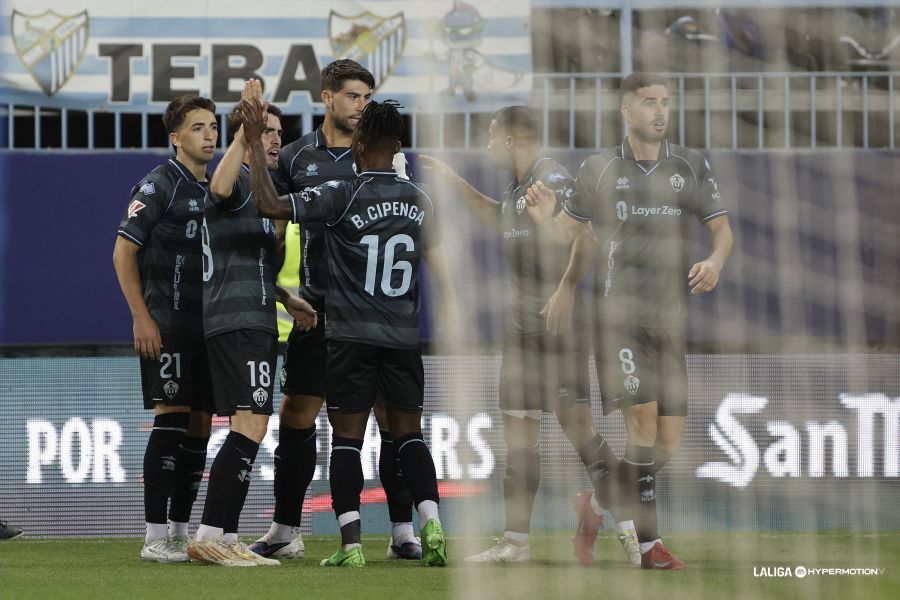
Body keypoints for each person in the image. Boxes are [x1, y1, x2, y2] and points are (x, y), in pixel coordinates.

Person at [526, 72, 733, 570]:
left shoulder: (689, 164)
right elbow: (569, 234)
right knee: (641, 427)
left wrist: (715, 262)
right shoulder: (599, 168)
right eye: (649, 102)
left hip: (669, 322)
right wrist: (545, 220)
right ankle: (647, 547)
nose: (660, 111)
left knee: (667, 442)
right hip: (618, 320)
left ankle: (596, 503)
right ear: (626, 110)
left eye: (666, 101)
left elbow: (722, 230)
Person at [243, 96, 455, 567]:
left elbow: (268, 202)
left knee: (346, 441)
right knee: (409, 437)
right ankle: (431, 522)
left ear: (358, 146)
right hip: (402, 340)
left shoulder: (343, 192)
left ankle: (351, 546)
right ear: (398, 146)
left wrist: (257, 147)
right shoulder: (422, 201)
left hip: (350, 339)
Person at [419, 106, 620, 564]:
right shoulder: (515, 187)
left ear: (511, 138)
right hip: (521, 326)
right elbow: (498, 217)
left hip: (557, 322)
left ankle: (630, 524)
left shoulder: (550, 177)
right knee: (518, 433)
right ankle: (515, 542)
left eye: (492, 135)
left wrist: (568, 286)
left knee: (577, 424)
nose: (487, 144)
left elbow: (584, 234)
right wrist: (453, 181)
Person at [185, 84, 317, 567]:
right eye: (269, 132)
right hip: (237, 322)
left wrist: (288, 300)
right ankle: (212, 534)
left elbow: (252, 263)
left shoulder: (266, 195)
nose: (276, 139)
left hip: (256, 318)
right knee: (250, 424)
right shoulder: (235, 178)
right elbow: (215, 189)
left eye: (280, 132)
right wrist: (245, 133)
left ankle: (223, 534)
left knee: (250, 425)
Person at [112, 95, 219, 563]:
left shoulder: (215, 188)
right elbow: (122, 251)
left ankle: (179, 531)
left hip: (208, 327)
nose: (210, 134)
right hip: (168, 323)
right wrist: (141, 315)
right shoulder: (159, 185)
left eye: (213, 126)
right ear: (176, 139)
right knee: (171, 418)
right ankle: (154, 535)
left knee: (200, 427)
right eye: (198, 127)